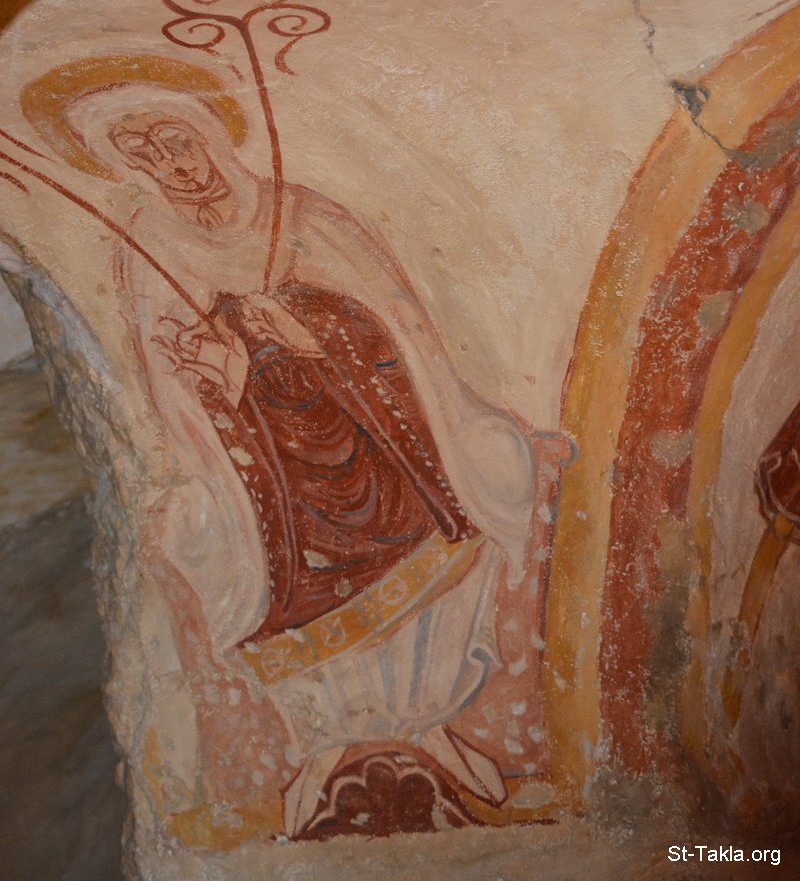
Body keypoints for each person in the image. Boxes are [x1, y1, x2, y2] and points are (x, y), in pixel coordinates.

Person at [38, 60, 571, 834]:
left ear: (212, 135)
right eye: (141, 154)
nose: (170, 164)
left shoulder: (307, 219)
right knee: (242, 575)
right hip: (275, 497)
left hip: (380, 459)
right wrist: (221, 378)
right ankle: (325, 750)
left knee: (458, 521)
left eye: (175, 140)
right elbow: (171, 395)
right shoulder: (146, 249)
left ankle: (436, 735)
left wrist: (302, 330)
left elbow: (398, 332)